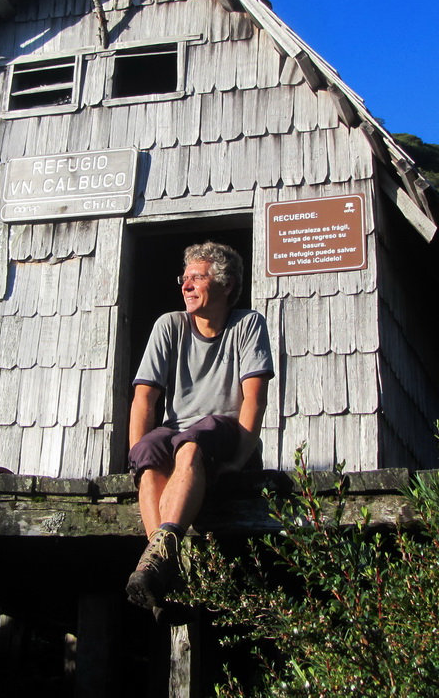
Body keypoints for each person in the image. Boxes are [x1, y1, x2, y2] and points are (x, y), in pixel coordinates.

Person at [125, 241, 274, 612]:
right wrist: (137, 454)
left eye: (197, 277)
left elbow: (254, 399)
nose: (186, 285)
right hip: (177, 432)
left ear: (226, 284)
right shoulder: (169, 325)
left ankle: (160, 562)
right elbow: (144, 399)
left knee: (191, 443)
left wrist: (239, 462)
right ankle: (159, 567)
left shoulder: (248, 324)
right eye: (184, 278)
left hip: (224, 433)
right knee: (149, 455)